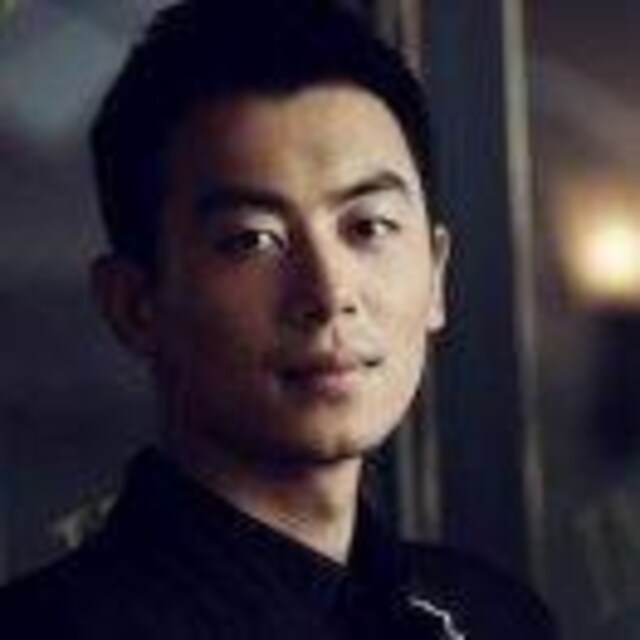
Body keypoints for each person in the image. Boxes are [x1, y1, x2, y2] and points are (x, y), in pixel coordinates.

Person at [0, 1, 557, 638]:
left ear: (435, 275)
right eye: (252, 240)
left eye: (368, 226)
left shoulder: (493, 617)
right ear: (135, 304)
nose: (329, 292)